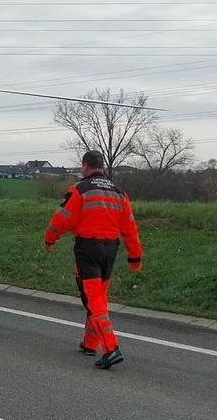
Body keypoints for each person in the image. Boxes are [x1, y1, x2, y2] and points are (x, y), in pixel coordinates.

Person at [44, 149, 143, 369]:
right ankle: (90, 343)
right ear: (102, 166)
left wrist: (49, 239)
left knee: (93, 301)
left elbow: (62, 218)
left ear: (85, 166)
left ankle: (111, 348)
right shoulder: (119, 193)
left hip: (88, 250)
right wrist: (135, 257)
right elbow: (130, 228)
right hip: (110, 250)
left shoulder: (81, 189)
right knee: (99, 296)